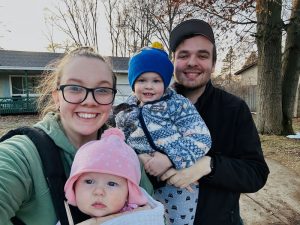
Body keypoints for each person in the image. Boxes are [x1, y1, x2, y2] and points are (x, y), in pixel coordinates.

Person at [0, 47, 153, 225]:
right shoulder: (23, 156)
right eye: (74, 88)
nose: (89, 101)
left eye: (102, 90)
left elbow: (157, 216)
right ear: (57, 97)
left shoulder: (124, 156)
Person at [156, 19, 270, 225]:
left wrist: (209, 165)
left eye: (202, 55)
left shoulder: (234, 109)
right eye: (183, 55)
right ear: (173, 62)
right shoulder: (152, 108)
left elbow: (256, 174)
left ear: (213, 65)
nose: (192, 62)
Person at [114, 42, 211, 225]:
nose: (149, 86)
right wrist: (138, 157)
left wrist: (169, 159)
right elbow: (120, 141)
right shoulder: (126, 110)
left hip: (177, 182)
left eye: (156, 81)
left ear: (165, 83)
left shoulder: (177, 105)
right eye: (142, 80)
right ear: (133, 82)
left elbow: (201, 138)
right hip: (141, 181)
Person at [60, 127, 164, 225]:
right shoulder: (67, 217)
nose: (99, 192)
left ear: (129, 193)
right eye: (89, 181)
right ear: (74, 186)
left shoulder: (143, 218)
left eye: (111, 183)